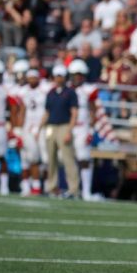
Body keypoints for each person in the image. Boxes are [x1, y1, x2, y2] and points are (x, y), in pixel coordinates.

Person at [42, 65, 79, 198]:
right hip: (51, 127)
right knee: (51, 159)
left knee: (68, 158)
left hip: (64, 126)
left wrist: (69, 130)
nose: (58, 78)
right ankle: (52, 187)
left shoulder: (70, 93)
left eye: (60, 76)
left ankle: (73, 189)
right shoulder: (51, 93)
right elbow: (47, 112)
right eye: (56, 76)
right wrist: (40, 128)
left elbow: (74, 113)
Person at [68, 59, 100, 201]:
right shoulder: (67, 90)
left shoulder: (88, 89)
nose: (77, 78)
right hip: (68, 127)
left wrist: (91, 130)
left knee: (84, 159)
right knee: (69, 159)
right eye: (75, 75)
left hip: (82, 127)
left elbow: (93, 110)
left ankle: (86, 191)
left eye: (79, 75)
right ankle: (73, 189)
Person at [15, 68, 51, 196]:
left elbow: (48, 109)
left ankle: (46, 184)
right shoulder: (23, 91)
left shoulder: (45, 89)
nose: (32, 80)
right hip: (28, 127)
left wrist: (41, 126)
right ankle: (32, 185)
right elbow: (21, 111)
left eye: (34, 77)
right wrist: (19, 129)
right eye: (30, 77)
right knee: (29, 157)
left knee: (46, 158)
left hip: (42, 127)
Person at [0, 59, 23, 195]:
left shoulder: (5, 88)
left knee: (2, 156)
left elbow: (13, 107)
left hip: (0, 125)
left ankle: (4, 186)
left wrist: (12, 126)